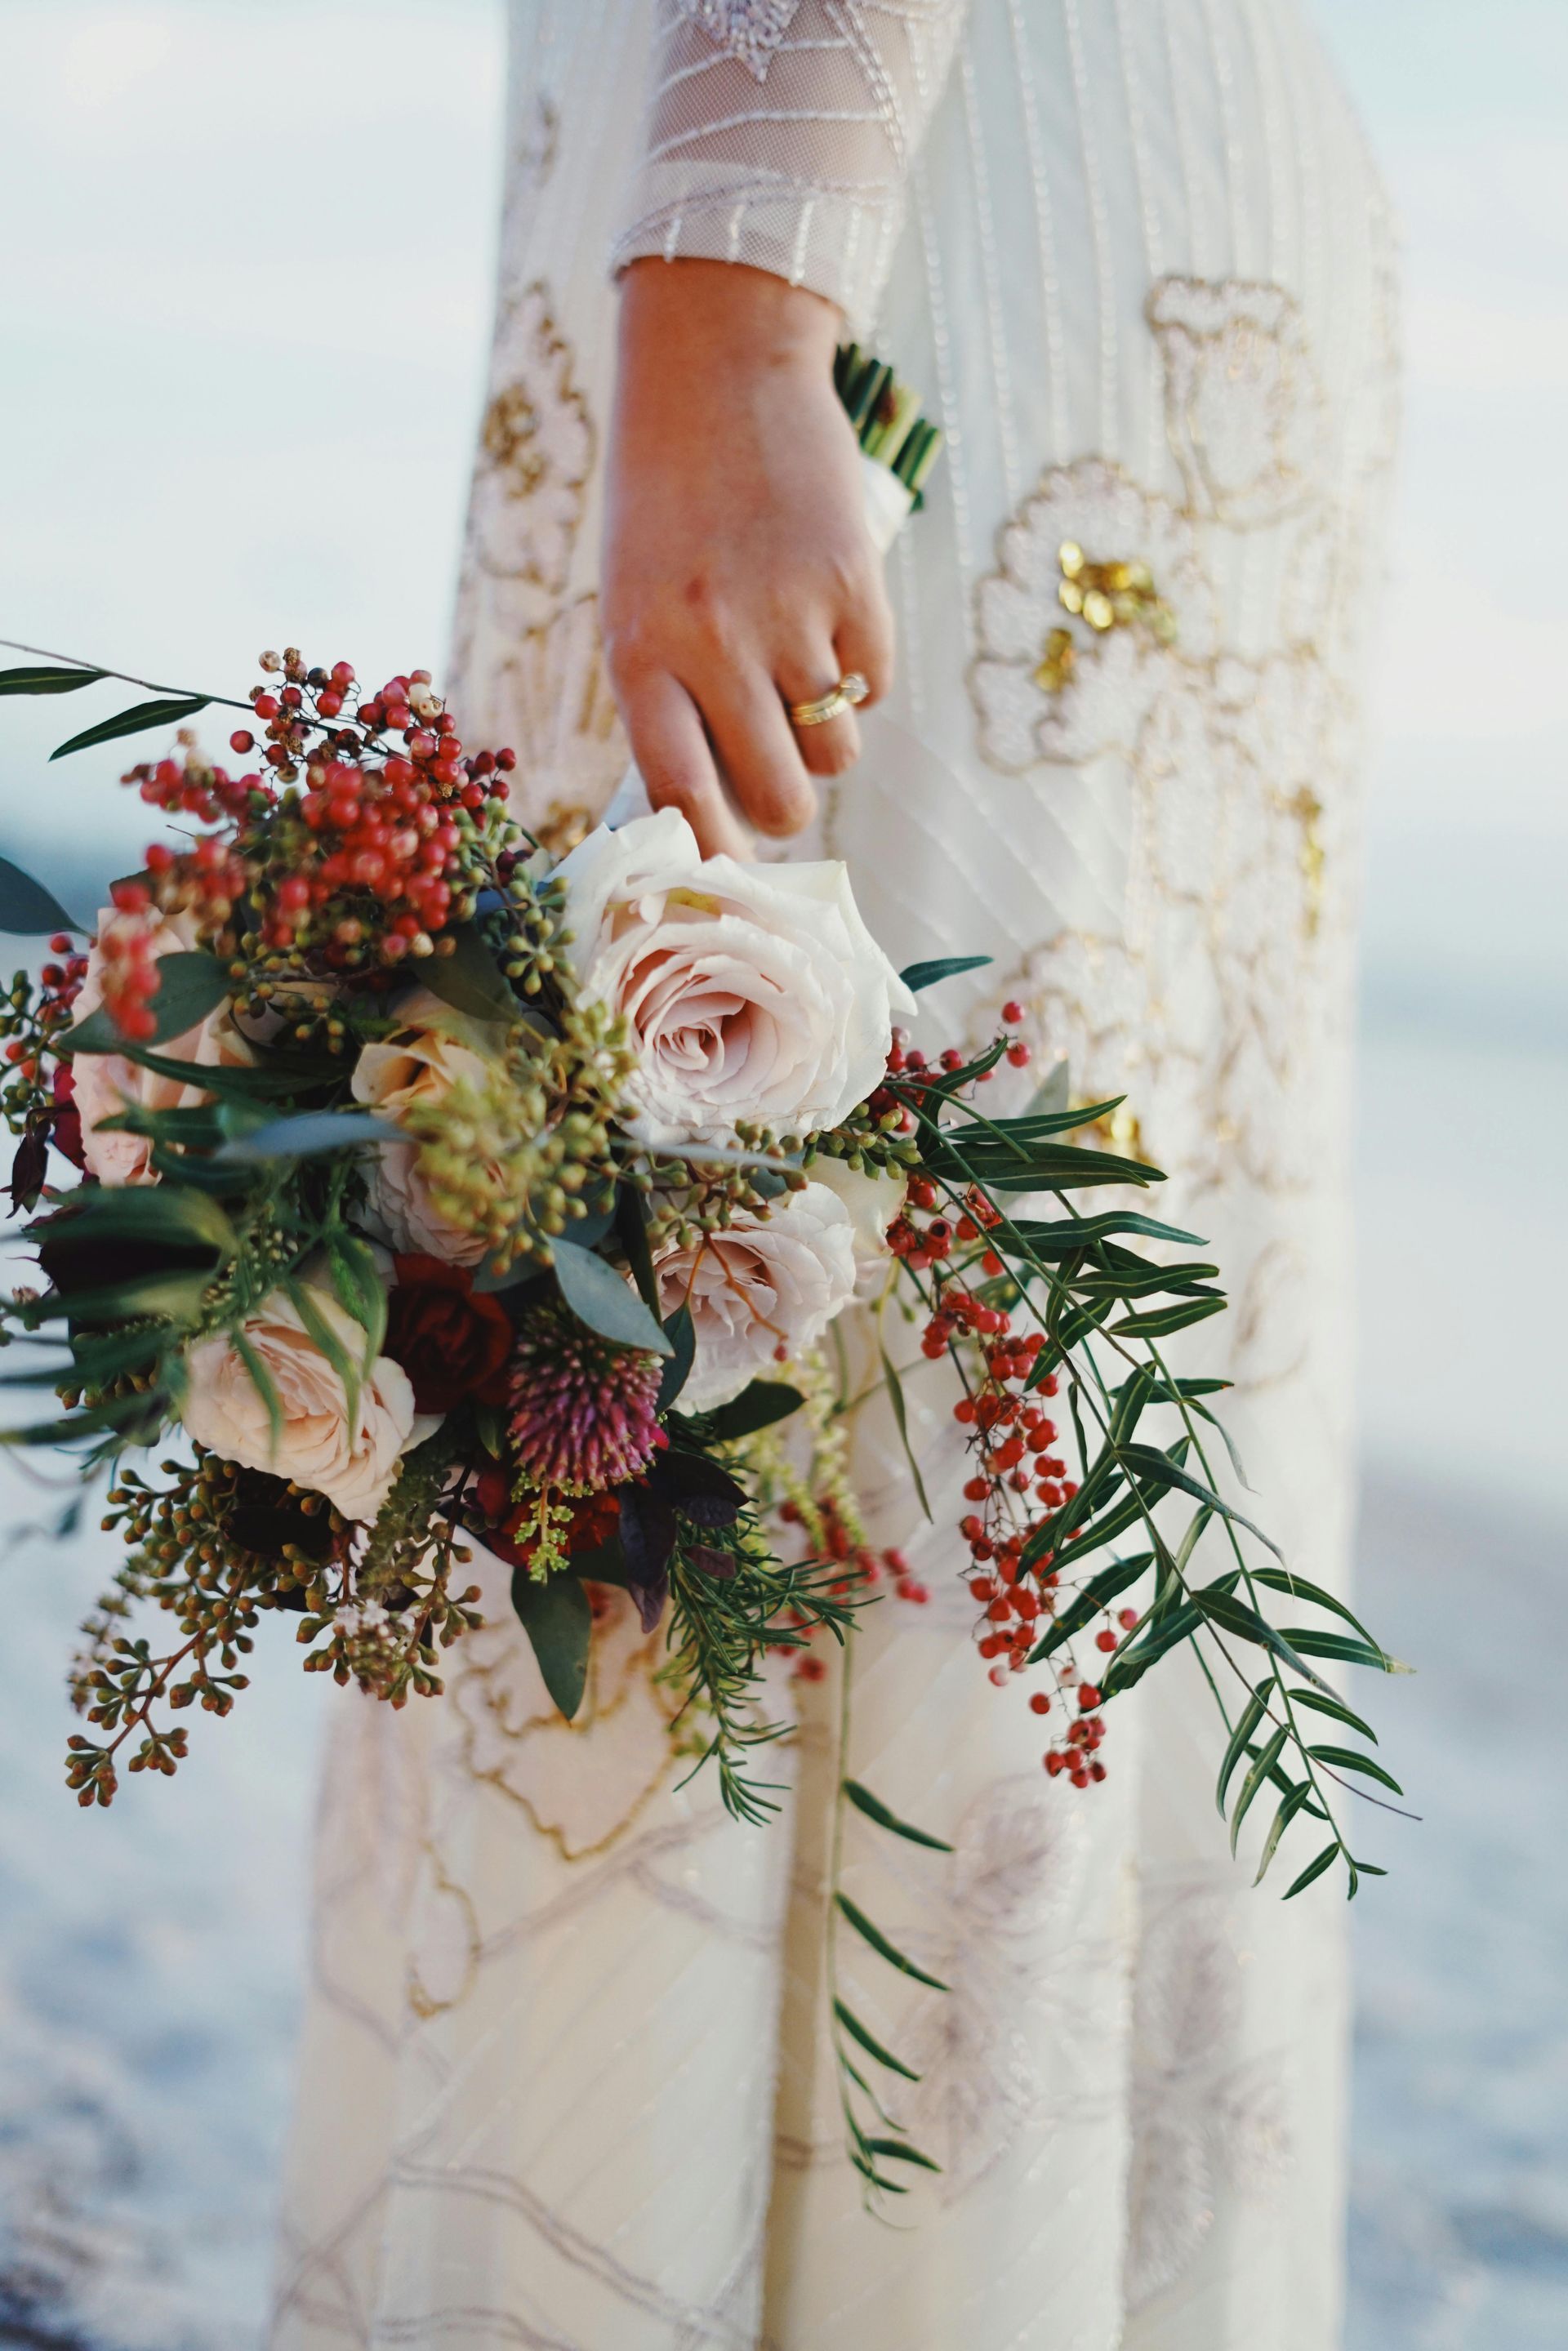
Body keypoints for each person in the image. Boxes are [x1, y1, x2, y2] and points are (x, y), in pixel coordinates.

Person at [268, 5, 1399, 2344]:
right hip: (922, 177)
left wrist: (746, 276)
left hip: (897, 196)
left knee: (851, 1337)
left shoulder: (766, 264)